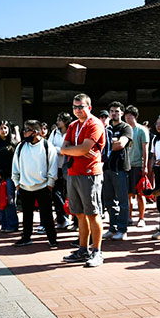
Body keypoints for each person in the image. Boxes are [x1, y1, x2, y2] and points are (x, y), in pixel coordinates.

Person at [61, 93, 107, 267]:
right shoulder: (73, 125)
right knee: (79, 214)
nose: (77, 110)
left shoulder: (94, 124)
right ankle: (83, 249)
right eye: (75, 107)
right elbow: (64, 149)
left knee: (93, 213)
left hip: (90, 173)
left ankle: (97, 251)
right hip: (73, 173)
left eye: (81, 106)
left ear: (89, 107)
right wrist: (75, 149)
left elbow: (82, 149)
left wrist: (72, 150)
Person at [11, 119, 59, 247]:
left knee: (47, 215)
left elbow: (53, 167)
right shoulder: (20, 147)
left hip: (43, 187)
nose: (24, 132)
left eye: (27, 130)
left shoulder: (47, 146)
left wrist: (50, 184)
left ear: (35, 132)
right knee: (27, 215)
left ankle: (52, 239)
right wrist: (17, 183)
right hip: (24, 187)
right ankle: (26, 237)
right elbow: (15, 166)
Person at [102, 102, 133, 240]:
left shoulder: (126, 128)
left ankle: (122, 229)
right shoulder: (106, 128)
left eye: (116, 111)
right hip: (107, 168)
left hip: (120, 168)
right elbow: (100, 145)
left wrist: (109, 144)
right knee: (108, 200)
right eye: (112, 111)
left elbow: (121, 144)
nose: (114, 113)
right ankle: (112, 228)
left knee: (122, 201)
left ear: (122, 113)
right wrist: (110, 143)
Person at [125, 105, 149, 228]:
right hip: (126, 165)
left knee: (140, 193)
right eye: (126, 116)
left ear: (136, 117)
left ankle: (141, 218)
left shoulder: (141, 130)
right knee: (128, 193)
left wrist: (145, 166)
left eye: (130, 116)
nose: (128, 119)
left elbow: (145, 149)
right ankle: (129, 217)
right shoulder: (124, 129)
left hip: (137, 165)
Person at [49, 112, 73, 230]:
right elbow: (49, 147)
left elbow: (69, 149)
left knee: (70, 193)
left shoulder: (71, 132)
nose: (58, 122)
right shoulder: (54, 132)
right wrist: (59, 150)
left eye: (60, 120)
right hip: (56, 166)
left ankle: (73, 218)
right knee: (56, 193)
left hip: (68, 166)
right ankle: (61, 218)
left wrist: (58, 149)